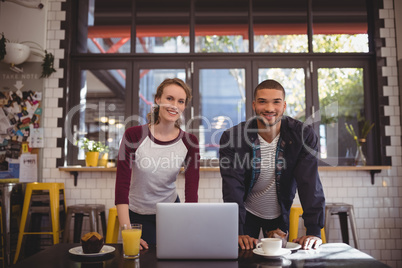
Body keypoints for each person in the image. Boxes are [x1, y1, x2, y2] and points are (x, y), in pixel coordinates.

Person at [219, 79, 325, 250]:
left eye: (276, 102)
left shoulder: (303, 136)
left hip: (279, 213)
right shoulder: (233, 138)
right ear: (254, 105)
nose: (269, 108)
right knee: (242, 259)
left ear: (284, 106)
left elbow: (309, 184)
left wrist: (314, 230)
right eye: (262, 102)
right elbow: (232, 186)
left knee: (278, 261)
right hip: (245, 215)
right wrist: (236, 230)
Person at [115, 78, 200, 250]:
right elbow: (121, 186)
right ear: (158, 100)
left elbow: (191, 191)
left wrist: (190, 226)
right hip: (138, 214)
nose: (174, 105)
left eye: (180, 101)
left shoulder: (190, 142)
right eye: (169, 98)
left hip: (171, 213)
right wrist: (127, 231)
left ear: (184, 106)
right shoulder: (133, 135)